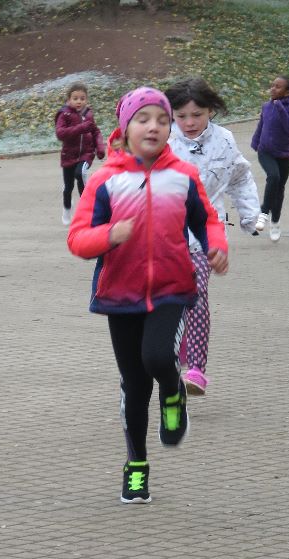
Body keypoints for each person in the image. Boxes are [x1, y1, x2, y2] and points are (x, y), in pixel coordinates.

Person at [67, 87, 228, 504]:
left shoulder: (183, 176)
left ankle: (173, 392)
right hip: (120, 294)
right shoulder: (105, 180)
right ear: (125, 128)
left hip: (172, 287)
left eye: (162, 119)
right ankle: (136, 466)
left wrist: (216, 246)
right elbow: (78, 239)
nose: (153, 127)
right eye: (143, 119)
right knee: (135, 386)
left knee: (157, 357)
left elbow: (207, 220)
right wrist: (110, 235)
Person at [166, 78, 260, 396]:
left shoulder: (224, 140)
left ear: (211, 111)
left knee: (196, 293)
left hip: (205, 233)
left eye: (197, 114)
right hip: (163, 235)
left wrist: (249, 216)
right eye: (182, 116)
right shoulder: (161, 138)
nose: (190, 122)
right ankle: (174, 350)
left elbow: (240, 177)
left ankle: (196, 370)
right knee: (168, 301)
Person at [251, 75, 289, 242]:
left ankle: (275, 221)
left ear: (287, 92)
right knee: (273, 176)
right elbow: (261, 125)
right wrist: (256, 142)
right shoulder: (266, 106)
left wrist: (280, 108)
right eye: (272, 85)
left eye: (278, 87)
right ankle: (263, 213)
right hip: (265, 152)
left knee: (279, 189)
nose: (273, 88)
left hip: (283, 155)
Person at [54, 81, 105, 226]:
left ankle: (87, 205)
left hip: (85, 154)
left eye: (82, 98)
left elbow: (95, 131)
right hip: (68, 156)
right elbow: (60, 133)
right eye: (75, 98)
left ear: (86, 99)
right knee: (68, 187)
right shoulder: (64, 114)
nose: (79, 101)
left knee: (80, 173)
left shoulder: (88, 114)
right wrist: (81, 128)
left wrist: (100, 147)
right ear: (69, 99)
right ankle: (67, 208)